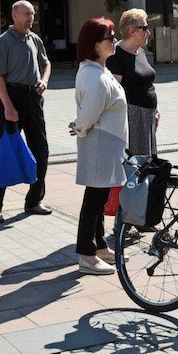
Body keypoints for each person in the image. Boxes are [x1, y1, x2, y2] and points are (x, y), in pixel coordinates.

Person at [69, 17, 129, 275]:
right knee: (94, 199)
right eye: (109, 37)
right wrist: (79, 126)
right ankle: (86, 253)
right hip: (100, 141)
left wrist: (80, 125)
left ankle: (99, 245)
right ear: (95, 45)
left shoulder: (98, 70)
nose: (114, 41)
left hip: (107, 141)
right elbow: (90, 111)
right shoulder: (94, 75)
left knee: (100, 195)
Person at [0, 0, 52, 220]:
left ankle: (34, 200)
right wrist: (7, 106)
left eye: (32, 14)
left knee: (41, 150)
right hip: (12, 95)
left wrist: (44, 80)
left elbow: (46, 63)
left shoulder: (34, 38)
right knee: (3, 151)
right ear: (14, 15)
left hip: (33, 97)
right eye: (26, 14)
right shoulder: (5, 41)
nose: (30, 18)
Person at [107, 8, 160, 156]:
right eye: (144, 28)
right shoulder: (116, 55)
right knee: (137, 163)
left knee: (148, 162)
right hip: (133, 117)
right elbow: (114, 92)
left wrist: (156, 108)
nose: (148, 32)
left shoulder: (140, 52)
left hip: (148, 115)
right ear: (131, 31)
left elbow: (147, 84)